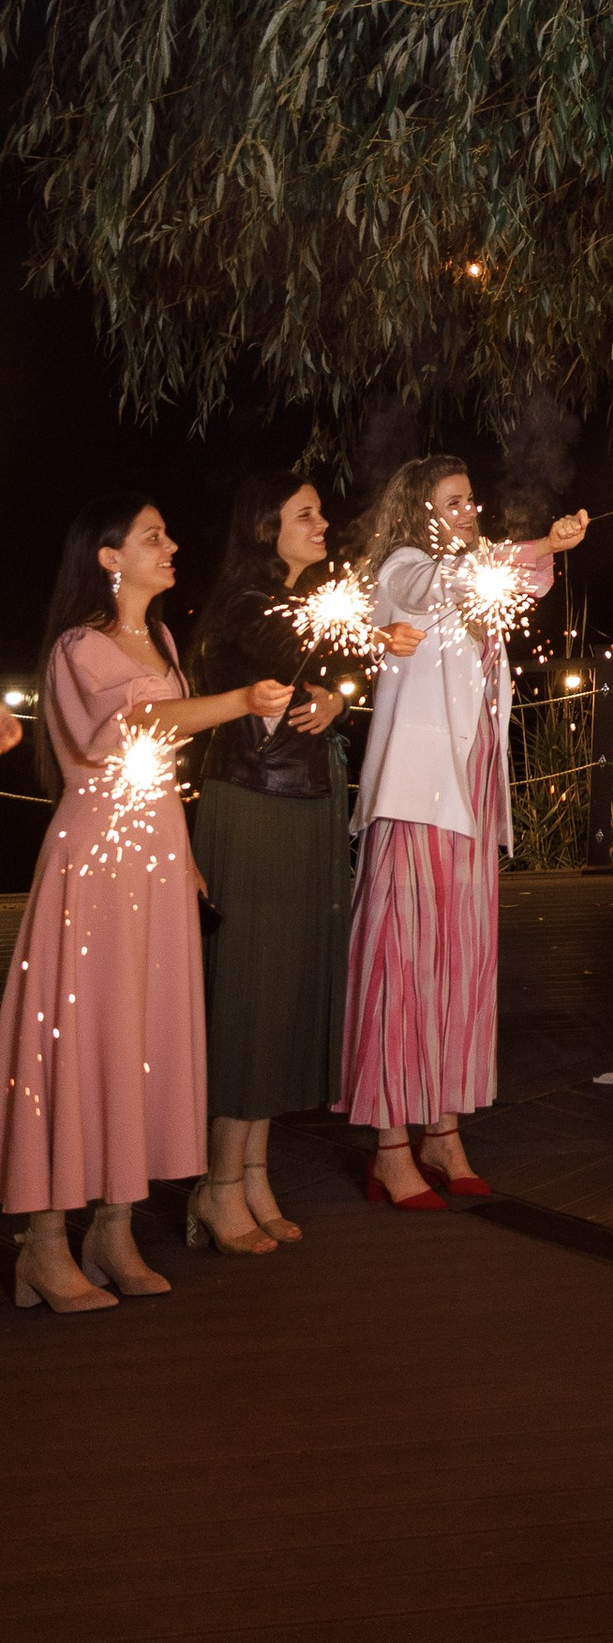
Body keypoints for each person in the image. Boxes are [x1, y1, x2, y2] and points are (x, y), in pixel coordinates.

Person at [2, 497, 290, 1313]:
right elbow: (128, 733)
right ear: (106, 558)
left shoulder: (162, 640)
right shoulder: (77, 647)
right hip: (94, 865)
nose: (170, 547)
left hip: (157, 862)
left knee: (137, 1034)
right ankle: (45, 1243)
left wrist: (188, 857)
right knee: (82, 1033)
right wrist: (238, 701)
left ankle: (113, 1226)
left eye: (168, 532)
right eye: (151, 536)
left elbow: (160, 770)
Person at [338, 456, 585, 1208]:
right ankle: (388, 1144)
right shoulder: (405, 570)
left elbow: (522, 582)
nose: (470, 510)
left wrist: (549, 545)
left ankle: (442, 1131)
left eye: (473, 500)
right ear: (419, 512)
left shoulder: (475, 572)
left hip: (471, 801)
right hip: (417, 800)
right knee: (402, 963)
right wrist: (542, 541)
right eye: (454, 502)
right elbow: (443, 584)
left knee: (458, 964)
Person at [190, 477, 423, 1254]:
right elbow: (295, 646)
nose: (323, 523)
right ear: (264, 528)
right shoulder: (245, 602)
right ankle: (218, 1183)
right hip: (251, 804)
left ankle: (253, 1172)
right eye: (305, 513)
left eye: (320, 511)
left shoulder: (304, 598)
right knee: (252, 985)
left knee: (289, 985)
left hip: (305, 800)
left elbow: (312, 671)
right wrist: (365, 647)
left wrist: (336, 697)